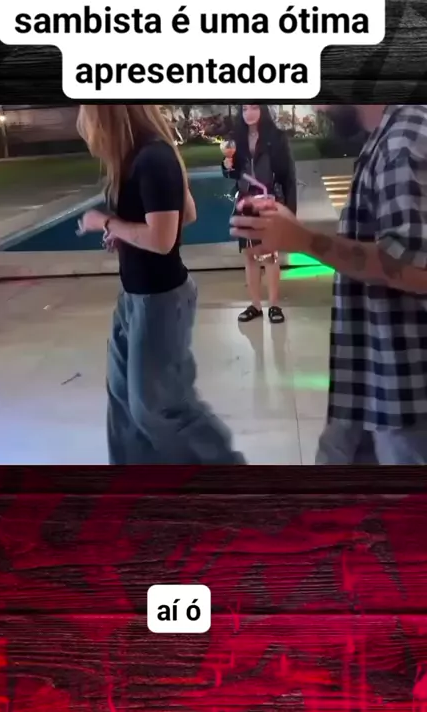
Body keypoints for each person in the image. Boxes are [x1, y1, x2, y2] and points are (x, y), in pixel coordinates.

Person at [230, 104, 427, 465]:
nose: (316, 105)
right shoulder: (384, 138)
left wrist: (304, 240)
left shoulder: (405, 140)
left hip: (404, 398)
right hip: (370, 379)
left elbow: (416, 267)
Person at [77, 104, 245, 465]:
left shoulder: (153, 158)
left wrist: (106, 223)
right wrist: (126, 233)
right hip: (134, 297)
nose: (86, 126)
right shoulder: (138, 157)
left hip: (161, 299)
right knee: (124, 402)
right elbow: (187, 214)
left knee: (157, 408)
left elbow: (162, 240)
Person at [222, 104, 297, 324]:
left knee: (270, 254)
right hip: (245, 201)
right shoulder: (236, 138)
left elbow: (288, 176)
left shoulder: (276, 138)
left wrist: (290, 211)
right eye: (245, 109)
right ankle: (255, 305)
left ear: (262, 109)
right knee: (249, 254)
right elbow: (232, 173)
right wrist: (227, 166)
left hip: (268, 199)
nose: (249, 113)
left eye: (254, 107)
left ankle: (274, 305)